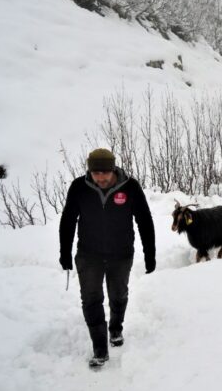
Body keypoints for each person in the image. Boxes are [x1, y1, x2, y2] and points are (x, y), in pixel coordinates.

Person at [59, 148, 156, 368]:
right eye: (96, 173)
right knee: (91, 299)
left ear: (113, 170)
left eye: (105, 173)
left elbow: (144, 220)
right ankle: (100, 349)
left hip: (121, 254)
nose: (101, 178)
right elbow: (68, 220)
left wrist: (150, 253)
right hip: (88, 254)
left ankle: (116, 328)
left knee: (118, 294)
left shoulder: (130, 187)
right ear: (89, 171)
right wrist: (64, 252)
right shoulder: (79, 188)